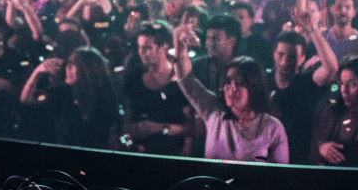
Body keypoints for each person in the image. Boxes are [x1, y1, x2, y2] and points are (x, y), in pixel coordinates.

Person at [174, 28, 290, 163]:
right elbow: (187, 80)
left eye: (240, 83)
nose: (232, 88)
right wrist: (180, 43)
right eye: (228, 82)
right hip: (214, 183)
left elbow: (279, 175)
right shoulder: (214, 112)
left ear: (254, 88)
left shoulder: (272, 128)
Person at [268, 6, 338, 164]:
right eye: (281, 55)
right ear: (274, 55)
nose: (285, 61)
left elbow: (331, 68)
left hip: (299, 158)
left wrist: (312, 29)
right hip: (265, 155)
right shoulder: (263, 80)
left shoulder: (307, 83)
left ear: (302, 58)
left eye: (292, 56)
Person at [19, 46, 120, 148]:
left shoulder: (104, 99)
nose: (67, 67)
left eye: (73, 64)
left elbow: (111, 140)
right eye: (68, 63)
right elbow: (26, 99)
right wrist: (38, 71)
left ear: (87, 70)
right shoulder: (61, 93)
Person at [122, 20, 192, 156]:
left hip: (173, 152)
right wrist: (128, 141)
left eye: (147, 48)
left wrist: (158, 128)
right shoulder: (134, 78)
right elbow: (127, 116)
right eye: (139, 47)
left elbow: (191, 127)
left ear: (164, 47)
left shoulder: (180, 80)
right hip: (139, 152)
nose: (141, 52)